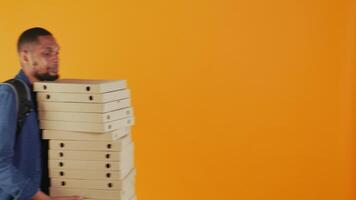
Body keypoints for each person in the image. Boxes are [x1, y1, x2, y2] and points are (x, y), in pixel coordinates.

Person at [0, 27, 82, 200]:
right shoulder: (9, 94)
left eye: (57, 52)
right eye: (47, 53)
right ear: (25, 56)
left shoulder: (49, 97)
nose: (56, 58)